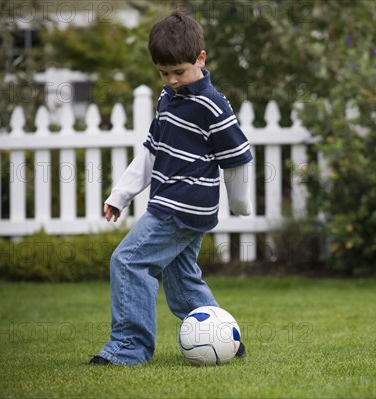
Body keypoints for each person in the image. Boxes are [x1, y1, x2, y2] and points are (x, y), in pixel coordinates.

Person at [89, 11, 253, 365]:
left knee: (128, 261)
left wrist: (240, 204)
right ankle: (227, 338)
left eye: (179, 72)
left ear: (201, 59)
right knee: (181, 278)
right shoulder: (167, 101)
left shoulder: (213, 105)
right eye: (164, 73)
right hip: (174, 203)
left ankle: (128, 348)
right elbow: (151, 152)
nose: (172, 80)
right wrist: (120, 195)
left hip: (181, 206)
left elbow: (237, 157)